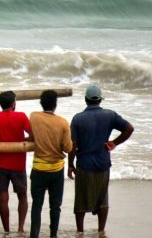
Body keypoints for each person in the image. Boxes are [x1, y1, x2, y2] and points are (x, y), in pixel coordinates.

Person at [68, 85, 134, 234]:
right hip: (103, 163)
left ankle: (80, 232)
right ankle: (100, 231)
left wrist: (70, 164)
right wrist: (114, 143)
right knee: (103, 199)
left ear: (86, 100)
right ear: (100, 100)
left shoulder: (78, 119)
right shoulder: (110, 115)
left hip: (84, 165)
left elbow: (73, 144)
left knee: (81, 200)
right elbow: (129, 128)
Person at [0, 90, 32, 233]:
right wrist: (23, 140)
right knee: (22, 196)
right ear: (13, 104)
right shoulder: (21, 116)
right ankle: (20, 228)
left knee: (3, 199)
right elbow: (33, 135)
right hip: (18, 163)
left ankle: (6, 230)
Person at [29, 90, 73, 238]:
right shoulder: (62, 122)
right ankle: (53, 235)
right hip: (56, 170)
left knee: (37, 205)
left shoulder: (34, 117)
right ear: (55, 104)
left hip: (39, 168)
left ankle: (34, 235)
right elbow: (68, 148)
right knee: (55, 206)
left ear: (41, 103)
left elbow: (33, 135)